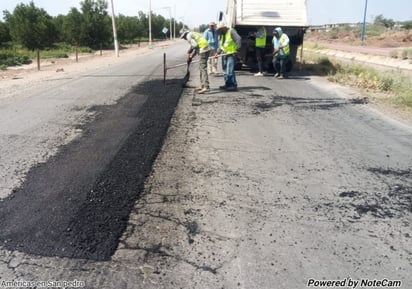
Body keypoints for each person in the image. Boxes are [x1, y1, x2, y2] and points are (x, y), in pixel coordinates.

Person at [180, 29, 210, 94]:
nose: (184, 39)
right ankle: (202, 85)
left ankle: (206, 87)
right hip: (205, 49)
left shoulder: (188, 36)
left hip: (203, 49)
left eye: (183, 37)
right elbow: (197, 48)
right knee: (201, 68)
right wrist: (191, 57)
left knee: (203, 68)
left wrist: (190, 49)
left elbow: (195, 45)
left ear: (185, 34)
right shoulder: (193, 33)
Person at [216, 22, 242, 91]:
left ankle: (233, 85)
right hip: (224, 54)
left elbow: (238, 39)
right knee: (224, 71)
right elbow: (221, 45)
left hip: (231, 54)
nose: (219, 31)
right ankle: (227, 84)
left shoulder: (231, 31)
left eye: (220, 29)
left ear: (224, 28)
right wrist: (217, 52)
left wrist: (237, 49)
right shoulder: (222, 34)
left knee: (230, 70)